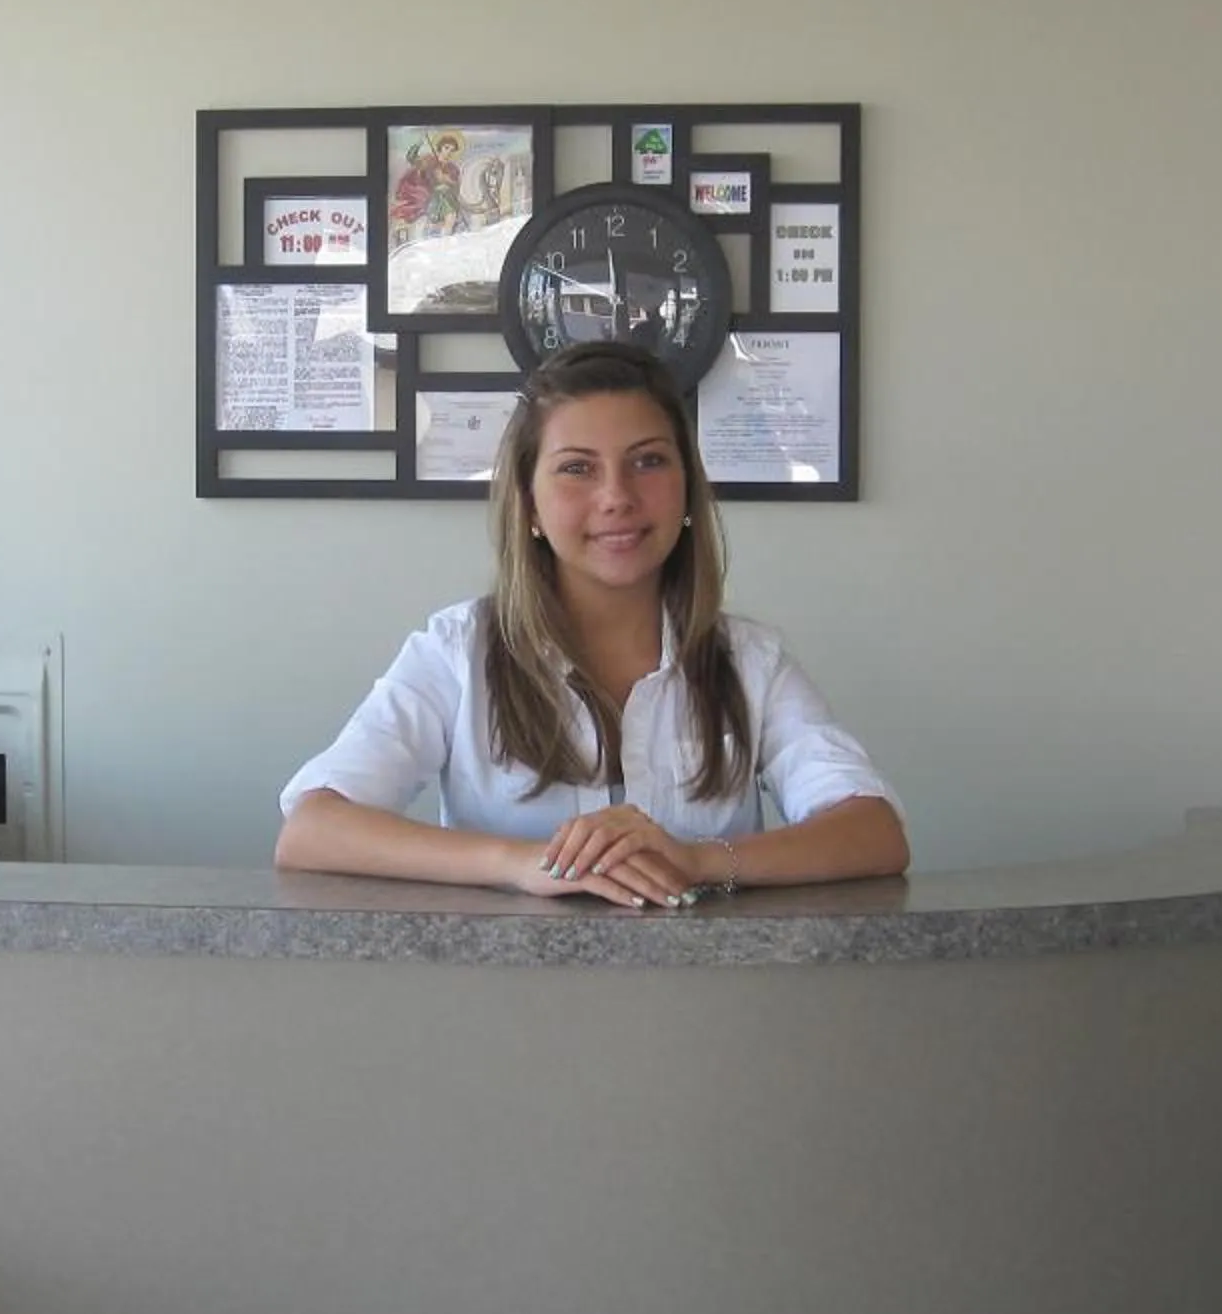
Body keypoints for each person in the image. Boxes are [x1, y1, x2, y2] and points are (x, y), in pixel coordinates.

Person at [276, 341, 908, 909]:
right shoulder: (454, 653)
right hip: (506, 1010)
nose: (616, 497)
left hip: (708, 1008)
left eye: (649, 461)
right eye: (577, 468)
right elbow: (312, 830)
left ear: (688, 489)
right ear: (529, 505)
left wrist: (698, 860)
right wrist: (525, 865)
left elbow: (873, 833)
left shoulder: (750, 661)